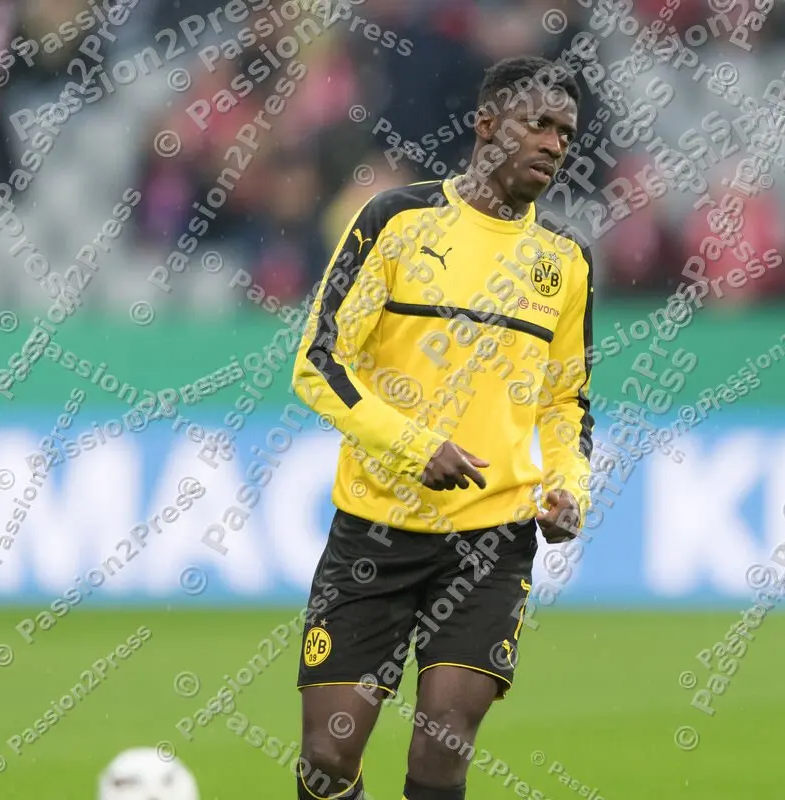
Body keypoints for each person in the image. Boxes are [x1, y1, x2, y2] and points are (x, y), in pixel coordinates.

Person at [289, 55, 594, 800]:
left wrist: (567, 487)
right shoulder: (395, 222)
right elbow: (319, 363)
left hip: (490, 542)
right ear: (487, 124)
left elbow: (567, 404)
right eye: (538, 124)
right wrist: (414, 446)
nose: (554, 144)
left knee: (440, 757)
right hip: (376, 533)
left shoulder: (566, 263)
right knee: (327, 763)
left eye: (565, 133)